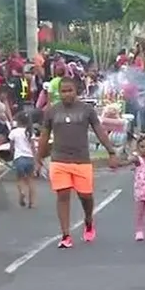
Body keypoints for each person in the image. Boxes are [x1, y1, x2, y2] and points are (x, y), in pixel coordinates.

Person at [36, 77, 119, 248]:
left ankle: (88, 220)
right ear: (59, 93)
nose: (67, 94)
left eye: (70, 90)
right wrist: (38, 158)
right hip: (59, 160)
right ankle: (65, 235)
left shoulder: (87, 110)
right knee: (62, 196)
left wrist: (111, 152)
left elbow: (99, 131)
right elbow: (44, 136)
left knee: (85, 196)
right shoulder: (52, 111)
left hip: (81, 160)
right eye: (63, 91)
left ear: (76, 91)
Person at [9, 111, 37, 208]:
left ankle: (22, 191)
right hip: (29, 157)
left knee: (20, 179)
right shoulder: (30, 132)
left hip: (19, 157)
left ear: (18, 121)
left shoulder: (14, 132)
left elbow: (11, 146)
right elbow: (33, 147)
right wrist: (35, 159)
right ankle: (32, 202)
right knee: (31, 180)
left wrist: (12, 154)